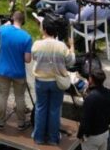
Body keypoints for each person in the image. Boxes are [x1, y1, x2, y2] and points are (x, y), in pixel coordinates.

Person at [31, 15, 75, 146]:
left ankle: (39, 137)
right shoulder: (62, 46)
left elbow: (34, 57)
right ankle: (53, 138)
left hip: (41, 81)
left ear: (44, 29)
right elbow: (71, 62)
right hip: (57, 81)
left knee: (40, 108)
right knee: (55, 109)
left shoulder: (37, 45)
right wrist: (72, 46)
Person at [0, 10, 32, 130]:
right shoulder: (27, 37)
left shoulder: (3, 30)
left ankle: (0, 122)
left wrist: (4, 26)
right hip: (18, 72)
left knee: (3, 96)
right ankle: (21, 123)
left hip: (3, 70)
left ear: (12, 19)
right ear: (23, 21)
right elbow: (27, 60)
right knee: (20, 97)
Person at [77, 67, 110, 150]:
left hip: (92, 137)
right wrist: (105, 123)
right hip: (105, 133)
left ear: (91, 79)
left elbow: (85, 120)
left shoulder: (90, 98)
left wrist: (80, 135)